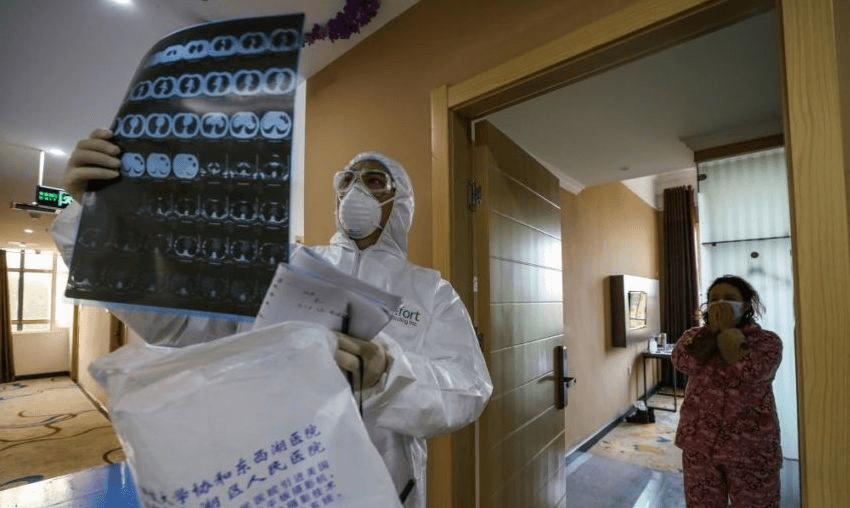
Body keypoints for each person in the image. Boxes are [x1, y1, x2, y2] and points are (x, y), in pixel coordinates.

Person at [52, 128, 493, 507]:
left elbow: (470, 389)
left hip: (384, 483)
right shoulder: (290, 267)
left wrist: (389, 373)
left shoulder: (430, 290)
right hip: (281, 471)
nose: (355, 191)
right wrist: (96, 220)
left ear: (399, 199)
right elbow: (180, 320)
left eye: (373, 180)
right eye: (348, 180)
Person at [671, 275, 782, 508]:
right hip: (699, 444)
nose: (720, 304)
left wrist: (730, 335)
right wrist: (712, 334)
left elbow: (751, 372)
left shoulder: (767, 342)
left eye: (729, 299)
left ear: (745, 305)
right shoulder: (693, 337)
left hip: (751, 449)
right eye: (714, 299)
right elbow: (684, 363)